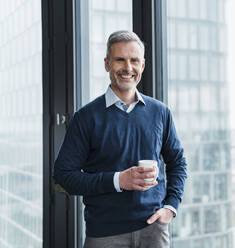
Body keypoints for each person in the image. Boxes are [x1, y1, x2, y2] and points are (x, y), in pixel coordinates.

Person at [53, 30, 187, 248]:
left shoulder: (160, 112)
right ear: (107, 64)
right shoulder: (86, 117)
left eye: (134, 60)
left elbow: (178, 162)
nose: (128, 68)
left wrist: (171, 207)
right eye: (119, 60)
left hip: (154, 230)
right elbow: (62, 177)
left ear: (142, 65)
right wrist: (118, 181)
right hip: (104, 235)